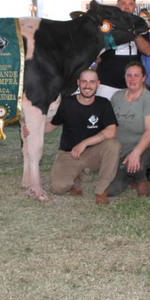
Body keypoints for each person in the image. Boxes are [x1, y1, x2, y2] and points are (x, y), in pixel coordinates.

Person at [45, 68, 121, 205]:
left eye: (92, 82)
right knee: (58, 188)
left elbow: (112, 131)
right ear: (78, 83)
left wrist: (84, 143)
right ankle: (75, 178)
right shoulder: (67, 103)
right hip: (69, 154)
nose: (87, 85)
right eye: (84, 81)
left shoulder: (104, 103)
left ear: (98, 84)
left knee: (113, 145)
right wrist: (32, 130)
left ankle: (102, 190)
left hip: (93, 154)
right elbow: (51, 125)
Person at [108, 62, 150, 198]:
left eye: (136, 75)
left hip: (144, 148)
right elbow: (109, 124)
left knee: (137, 164)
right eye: (129, 75)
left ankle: (141, 180)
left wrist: (136, 153)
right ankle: (129, 176)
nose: (132, 79)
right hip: (120, 150)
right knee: (111, 191)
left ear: (143, 78)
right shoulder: (117, 96)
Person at [94, 0, 150, 99]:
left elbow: (148, 51)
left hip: (132, 85)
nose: (127, 7)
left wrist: (132, 29)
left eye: (130, 4)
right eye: (123, 3)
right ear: (117, 5)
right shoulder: (106, 24)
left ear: (135, 7)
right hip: (107, 83)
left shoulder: (140, 24)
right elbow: (94, 48)